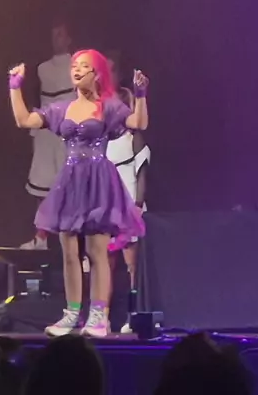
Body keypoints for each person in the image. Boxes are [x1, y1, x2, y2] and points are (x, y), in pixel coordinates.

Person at [8, 49, 149, 338]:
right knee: (70, 252)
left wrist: (141, 95)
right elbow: (24, 121)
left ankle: (98, 316)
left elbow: (139, 123)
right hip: (71, 183)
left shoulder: (109, 107)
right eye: (74, 65)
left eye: (83, 66)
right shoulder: (62, 109)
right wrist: (15, 87)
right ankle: (72, 314)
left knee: (97, 252)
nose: (76, 70)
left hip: (98, 181)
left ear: (96, 74)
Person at [104, 49, 150, 334]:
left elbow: (142, 170)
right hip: (107, 204)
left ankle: (133, 316)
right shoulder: (103, 140)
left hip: (129, 203)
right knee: (105, 264)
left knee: (131, 265)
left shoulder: (134, 138)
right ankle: (102, 316)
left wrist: (138, 205)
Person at [21, 20, 76, 250]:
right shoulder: (43, 68)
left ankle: (74, 242)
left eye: (61, 35)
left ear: (69, 39)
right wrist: (36, 131)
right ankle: (41, 237)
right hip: (46, 132)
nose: (56, 39)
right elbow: (39, 99)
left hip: (68, 131)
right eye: (54, 35)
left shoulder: (77, 64)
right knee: (42, 184)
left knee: (71, 187)